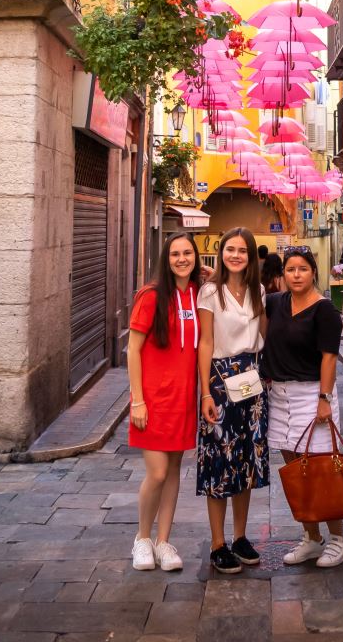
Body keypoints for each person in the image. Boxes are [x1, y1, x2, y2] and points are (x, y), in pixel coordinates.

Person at [262, 244, 343, 568]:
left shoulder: (324, 310)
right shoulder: (274, 303)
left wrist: (324, 400)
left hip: (313, 397)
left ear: (313, 272)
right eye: (290, 269)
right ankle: (311, 538)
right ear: (282, 274)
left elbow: (329, 358)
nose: (296, 275)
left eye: (302, 269)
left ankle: (339, 541)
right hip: (280, 398)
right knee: (295, 474)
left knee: (321, 473)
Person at [127, 232, 202, 573]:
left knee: (174, 471)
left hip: (183, 399)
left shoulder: (199, 293)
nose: (182, 259)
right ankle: (142, 539)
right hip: (153, 401)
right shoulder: (152, 296)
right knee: (156, 473)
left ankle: (164, 541)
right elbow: (133, 350)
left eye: (188, 253)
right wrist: (137, 400)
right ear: (166, 258)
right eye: (175, 254)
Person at [197, 226, 269, 574]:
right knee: (218, 460)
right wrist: (205, 392)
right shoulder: (211, 292)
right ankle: (218, 543)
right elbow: (206, 343)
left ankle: (240, 537)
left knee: (246, 461)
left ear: (250, 256)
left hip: (252, 381)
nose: (236, 255)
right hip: (221, 379)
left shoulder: (258, 290)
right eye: (230, 249)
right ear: (221, 253)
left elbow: (264, 334)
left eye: (242, 250)